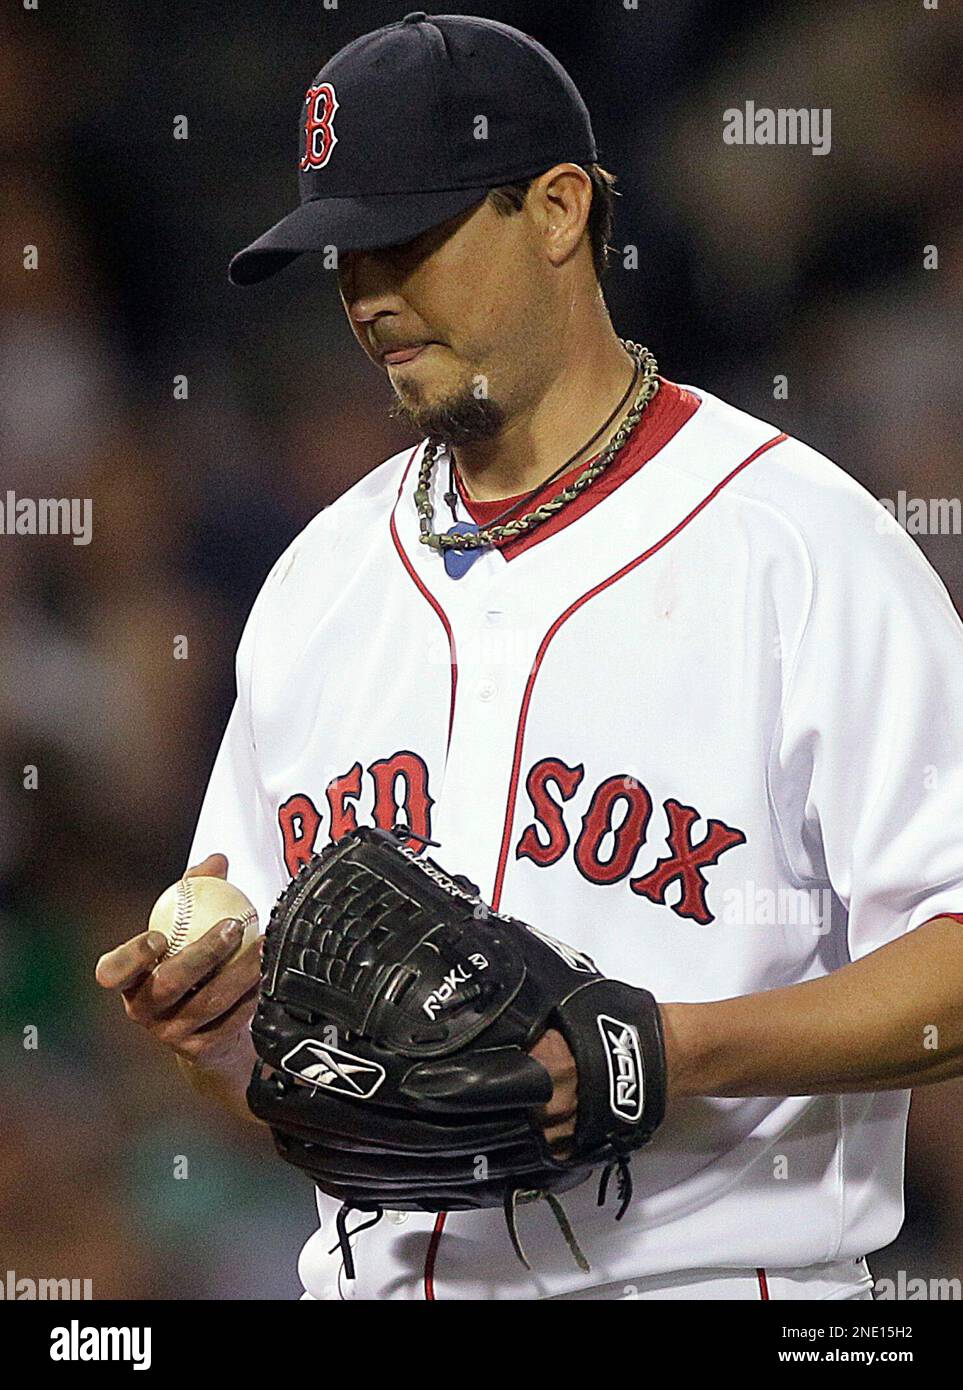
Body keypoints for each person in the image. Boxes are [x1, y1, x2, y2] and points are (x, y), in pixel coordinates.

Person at [96, 13, 963, 1301]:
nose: (368, 293)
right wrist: (223, 1045)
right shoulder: (315, 585)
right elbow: (323, 1100)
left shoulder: (800, 548)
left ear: (558, 210)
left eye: (406, 239)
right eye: (340, 252)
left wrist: (674, 1051)